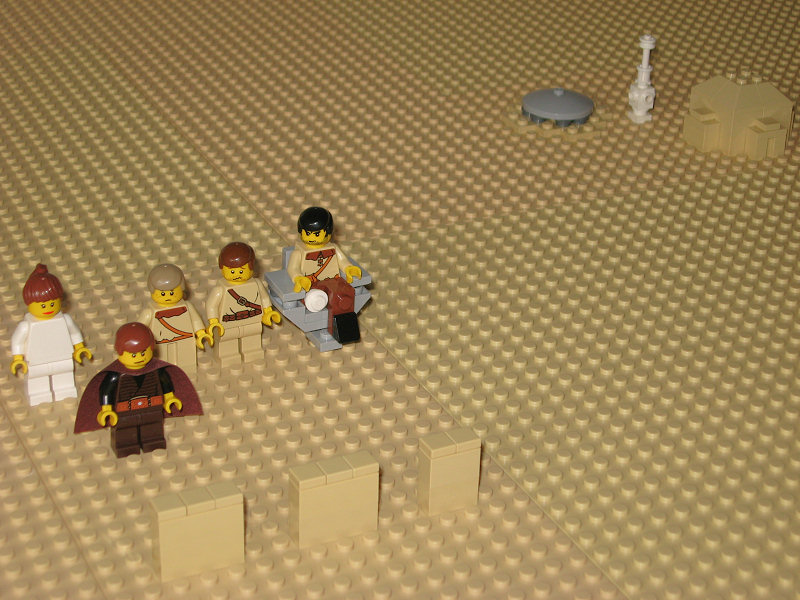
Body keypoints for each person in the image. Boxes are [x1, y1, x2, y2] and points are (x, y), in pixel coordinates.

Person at [74, 322, 202, 458]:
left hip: (152, 407)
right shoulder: (116, 375)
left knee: (153, 427)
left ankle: (153, 441)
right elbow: (106, 390)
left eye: (143, 352)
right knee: (125, 431)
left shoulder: (156, 370)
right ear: (120, 352)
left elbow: (165, 382)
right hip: (125, 410)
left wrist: (170, 398)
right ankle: (126, 446)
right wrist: (106, 409)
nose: (140, 358)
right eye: (133, 355)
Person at [10, 264, 92, 405]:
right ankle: (39, 394)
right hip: (37, 359)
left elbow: (74, 333)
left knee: (64, 375)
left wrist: (79, 347)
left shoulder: (64, 319)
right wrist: (18, 358)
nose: (48, 308)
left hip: (62, 356)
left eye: (52, 303)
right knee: (38, 378)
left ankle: (65, 390)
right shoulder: (27, 325)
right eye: (43, 305)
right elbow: (17, 341)